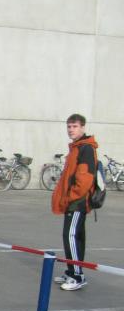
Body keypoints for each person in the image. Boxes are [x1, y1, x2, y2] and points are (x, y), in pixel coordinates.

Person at [51, 114, 98, 291]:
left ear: (83, 127)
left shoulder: (86, 148)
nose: (71, 130)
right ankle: (72, 271)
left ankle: (77, 276)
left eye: (75, 126)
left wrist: (70, 197)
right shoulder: (76, 147)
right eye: (69, 126)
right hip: (74, 201)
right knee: (76, 237)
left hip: (77, 202)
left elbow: (84, 179)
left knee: (70, 236)